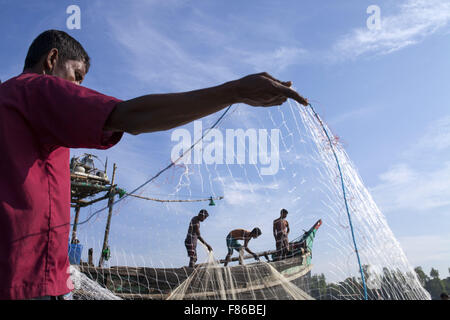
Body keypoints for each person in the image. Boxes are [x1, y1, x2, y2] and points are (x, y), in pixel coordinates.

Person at [0, 29, 308, 300]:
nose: (77, 88)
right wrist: (235, 91)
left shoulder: (9, 100)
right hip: (27, 282)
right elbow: (130, 116)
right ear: (51, 60)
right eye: (77, 77)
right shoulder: (36, 90)